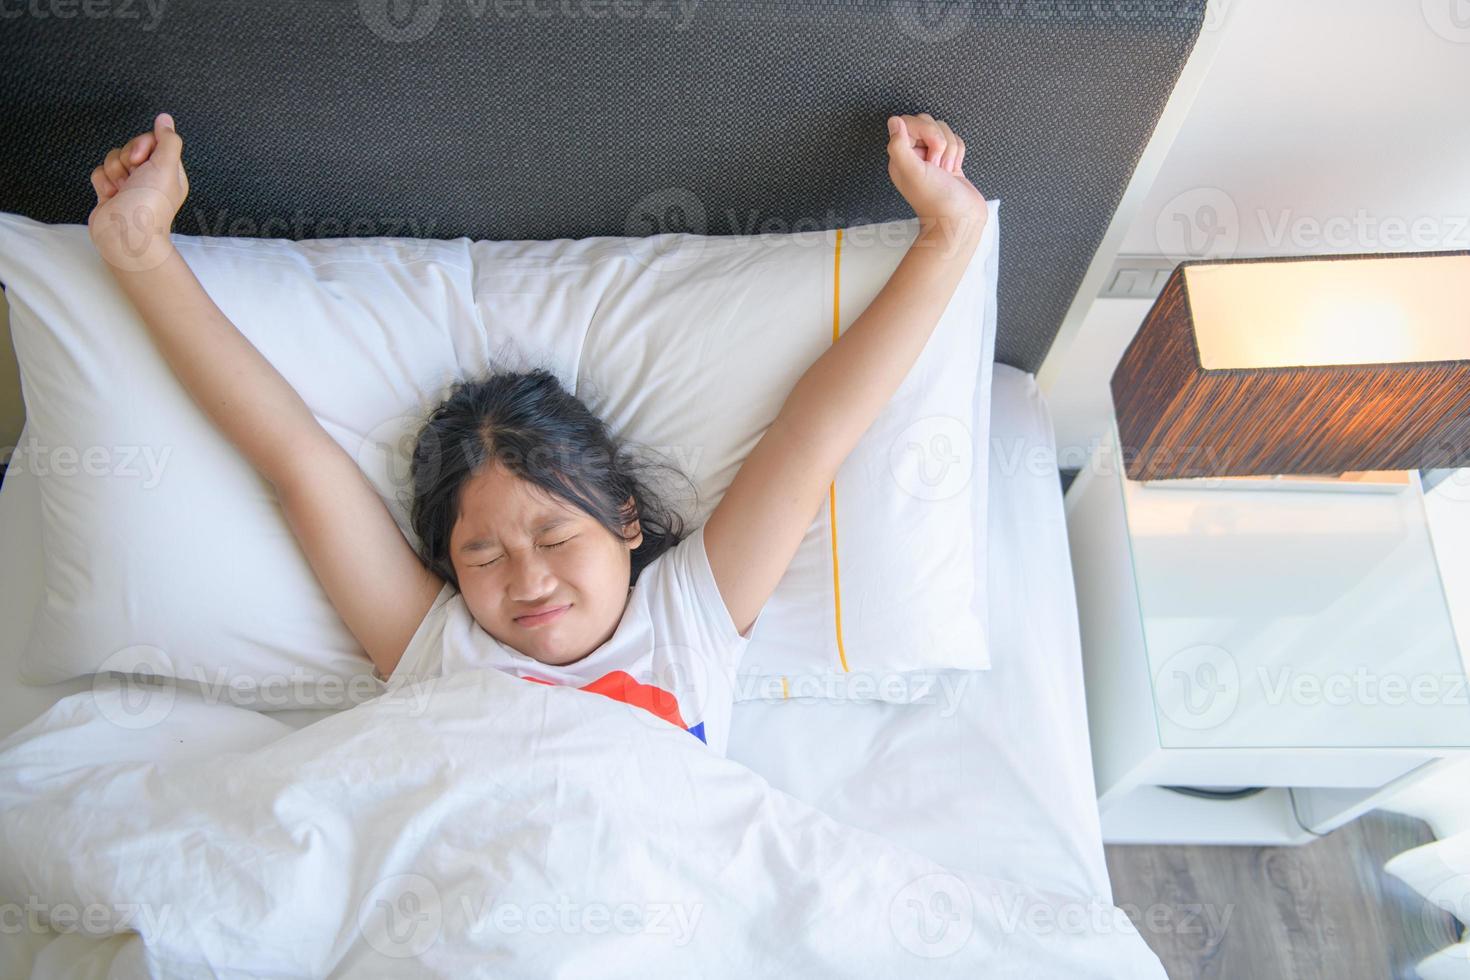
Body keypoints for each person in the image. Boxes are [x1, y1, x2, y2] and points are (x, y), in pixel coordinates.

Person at [86, 111, 989, 757]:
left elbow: (815, 433)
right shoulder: (440, 648)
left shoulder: (688, 618)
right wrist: (140, 254)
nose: (529, 580)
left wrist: (948, 235)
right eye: (481, 557)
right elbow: (295, 458)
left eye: (556, 534)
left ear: (626, 521)